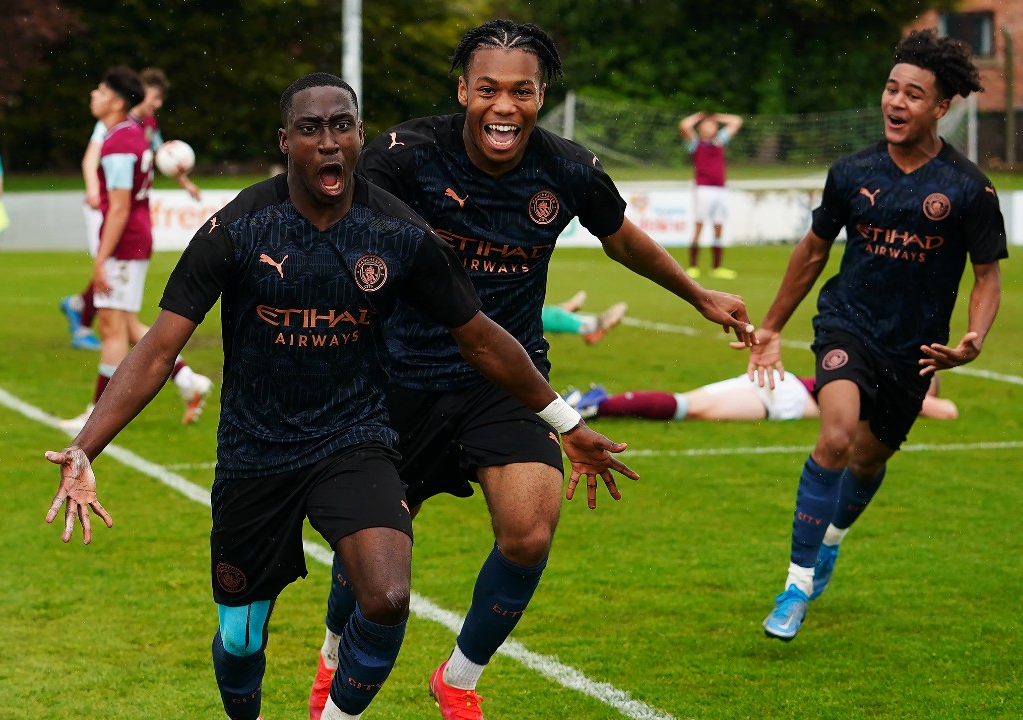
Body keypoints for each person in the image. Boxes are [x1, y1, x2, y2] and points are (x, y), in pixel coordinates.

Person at [44, 72, 637, 720]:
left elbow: (483, 340)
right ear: (284, 142)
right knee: (242, 638)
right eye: (310, 129)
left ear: (359, 137)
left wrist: (567, 423)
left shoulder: (400, 234)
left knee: (385, 594)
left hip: (354, 441)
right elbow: (157, 349)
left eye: (341, 127)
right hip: (255, 451)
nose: (328, 143)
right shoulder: (238, 229)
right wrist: (85, 447)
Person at [310, 20, 755, 720]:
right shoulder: (402, 155)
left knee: (530, 529)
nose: (504, 106)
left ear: (541, 96)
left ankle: (455, 680)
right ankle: (333, 652)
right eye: (487, 89)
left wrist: (699, 295)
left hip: (506, 383)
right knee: (375, 560)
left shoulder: (569, 168)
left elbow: (621, 239)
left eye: (521, 91)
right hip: (395, 383)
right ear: (463, 91)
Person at [746, 29, 1006, 642]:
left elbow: (988, 275)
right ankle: (795, 586)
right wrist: (772, 327)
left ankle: (831, 539)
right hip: (847, 325)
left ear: (941, 107)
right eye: (891, 88)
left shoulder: (969, 188)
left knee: (869, 458)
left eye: (913, 95)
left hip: (915, 348)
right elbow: (812, 253)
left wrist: (974, 335)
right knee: (835, 436)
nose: (895, 102)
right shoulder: (854, 171)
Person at [58, 67, 210, 432]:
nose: (93, 95)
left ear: (114, 100)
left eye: (98, 89)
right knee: (124, 325)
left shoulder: (120, 143)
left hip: (126, 242)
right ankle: (188, 380)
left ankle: (96, 415)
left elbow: (121, 207)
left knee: (111, 328)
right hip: (132, 239)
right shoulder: (128, 135)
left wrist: (100, 259)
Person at [566, 370, 958, 422]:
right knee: (692, 409)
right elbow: (948, 411)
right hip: (784, 398)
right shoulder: (897, 392)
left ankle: (601, 402)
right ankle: (598, 405)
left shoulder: (877, 376)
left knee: (688, 403)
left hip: (780, 382)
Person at [678, 110, 743, 279]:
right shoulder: (695, 143)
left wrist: (717, 117)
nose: (711, 126)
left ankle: (717, 267)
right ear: (700, 128)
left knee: (718, 226)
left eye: (713, 125)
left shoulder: (719, 141)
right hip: (703, 189)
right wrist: (698, 116)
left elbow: (736, 121)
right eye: (707, 124)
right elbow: (684, 125)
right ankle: (693, 265)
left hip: (720, 189)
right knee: (699, 225)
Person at [541, 290, 627, 344]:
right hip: (548, 315)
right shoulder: (591, 326)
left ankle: (573, 306)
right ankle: (573, 306)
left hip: (548, 317)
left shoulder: (591, 327)